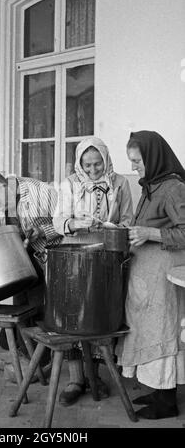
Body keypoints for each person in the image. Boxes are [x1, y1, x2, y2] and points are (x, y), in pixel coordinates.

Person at [53, 136, 133, 406]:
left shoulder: (120, 183)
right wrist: (75, 223)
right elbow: (57, 221)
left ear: (106, 159)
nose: (93, 170)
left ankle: (95, 375)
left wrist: (115, 228)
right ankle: (76, 379)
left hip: (106, 257)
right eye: (87, 165)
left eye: (97, 164)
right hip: (74, 259)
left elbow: (127, 220)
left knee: (99, 314)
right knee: (74, 316)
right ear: (79, 163)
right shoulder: (70, 183)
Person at [116, 130, 185, 420]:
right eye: (131, 162)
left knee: (162, 332)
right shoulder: (152, 186)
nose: (134, 167)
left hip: (164, 277)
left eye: (137, 161)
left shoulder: (173, 188)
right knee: (148, 332)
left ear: (153, 157)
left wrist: (149, 233)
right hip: (147, 278)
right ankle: (159, 391)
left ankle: (167, 401)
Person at [0, 172, 62, 378]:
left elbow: (64, 224)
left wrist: (41, 231)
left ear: (0, 188)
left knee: (39, 309)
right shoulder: (2, 199)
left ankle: (40, 364)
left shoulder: (41, 192)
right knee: (21, 307)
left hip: (49, 257)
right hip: (23, 258)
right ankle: (24, 355)